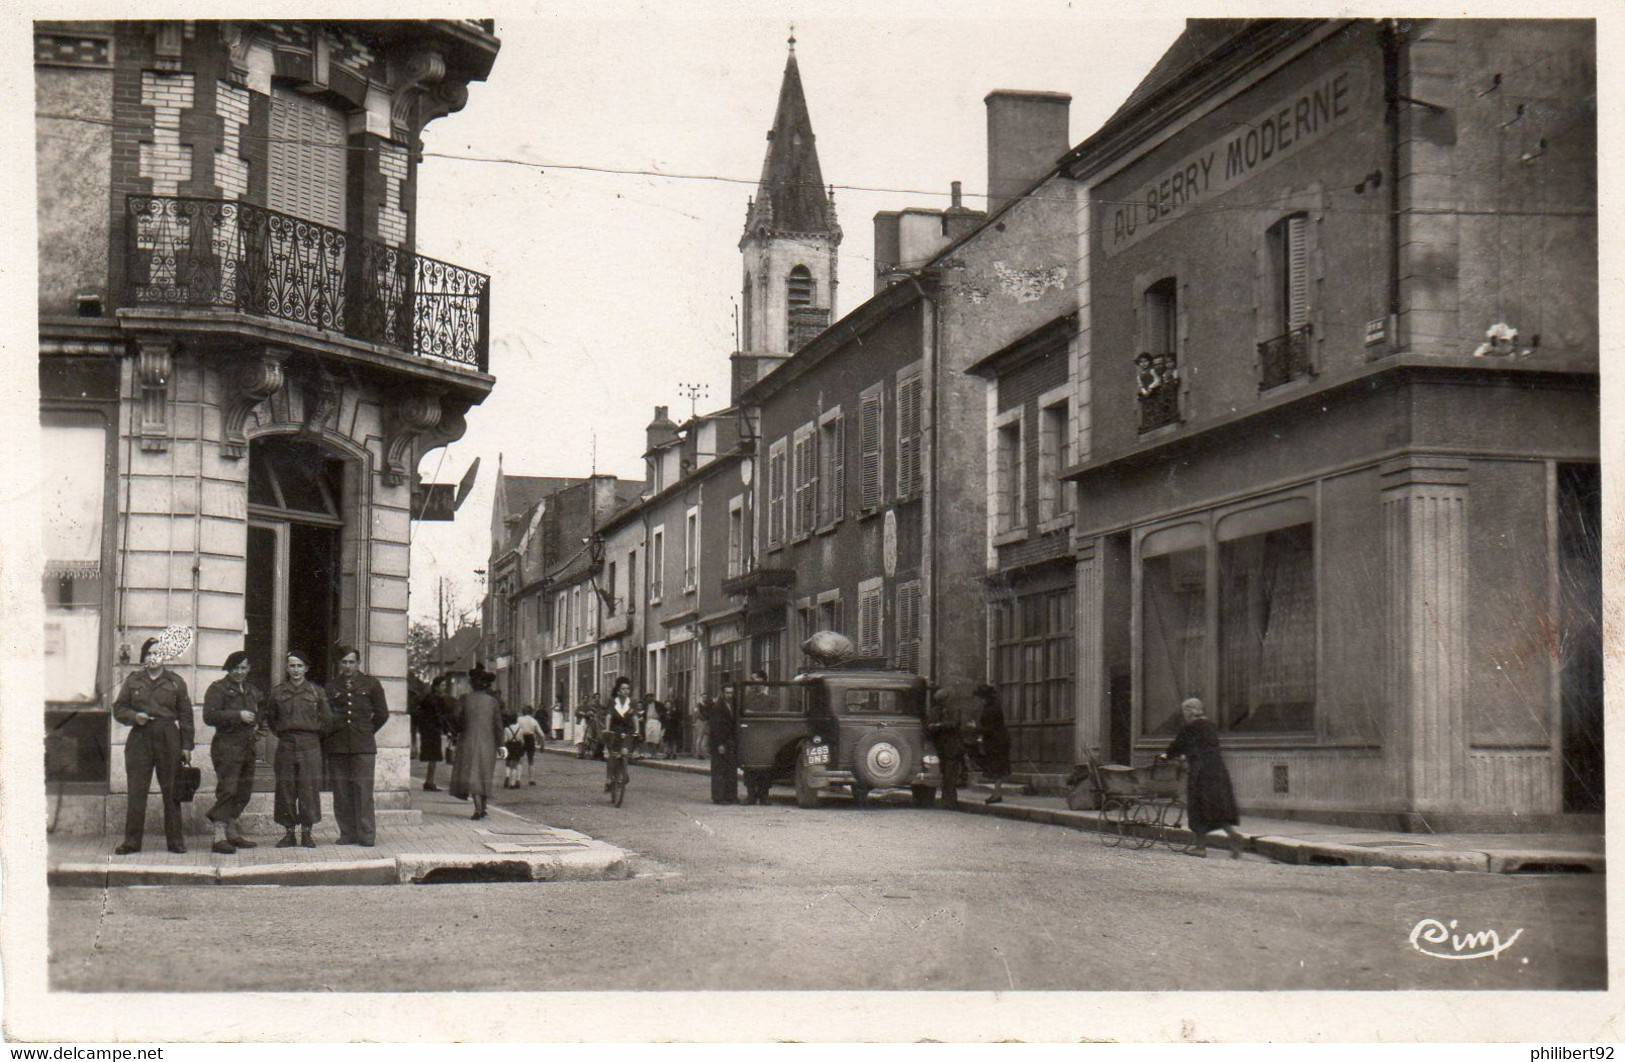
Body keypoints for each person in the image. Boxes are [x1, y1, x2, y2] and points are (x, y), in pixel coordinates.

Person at [111, 637, 195, 854]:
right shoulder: (133, 681)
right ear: (144, 657)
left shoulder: (176, 682)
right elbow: (118, 708)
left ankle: (175, 841)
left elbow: (186, 716)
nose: (153, 657)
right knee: (137, 791)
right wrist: (133, 716)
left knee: (171, 791)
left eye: (158, 653)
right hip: (140, 737)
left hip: (168, 737)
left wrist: (186, 746)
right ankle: (131, 842)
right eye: (149, 653)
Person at [1162, 697, 1244, 859]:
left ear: (1189, 711)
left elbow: (1177, 747)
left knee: (1197, 808)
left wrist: (1167, 755)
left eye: (1184, 710)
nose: (1183, 714)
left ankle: (1200, 848)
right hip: (1217, 771)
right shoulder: (1211, 726)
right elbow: (1204, 747)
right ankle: (1232, 834)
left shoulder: (1190, 728)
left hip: (1200, 773)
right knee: (1215, 808)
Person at [265, 649, 332, 848]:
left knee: (308, 789)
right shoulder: (278, 692)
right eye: (292, 666)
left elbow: (327, 719)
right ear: (287, 668)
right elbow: (271, 719)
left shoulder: (316, 692)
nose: (295, 670)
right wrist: (284, 734)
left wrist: (313, 735)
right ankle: (289, 833)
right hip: (286, 743)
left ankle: (307, 833)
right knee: (286, 789)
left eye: (299, 666)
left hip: (310, 744)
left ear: (306, 669)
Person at [324, 647, 390, 846]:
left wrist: (366, 731)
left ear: (358, 663)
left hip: (363, 746)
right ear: (339, 664)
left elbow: (382, 714)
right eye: (344, 662)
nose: (347, 666)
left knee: (363, 791)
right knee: (342, 792)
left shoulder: (371, 684)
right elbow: (325, 716)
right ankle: (347, 833)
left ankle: (366, 834)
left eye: (351, 662)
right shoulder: (331, 687)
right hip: (338, 745)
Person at [202, 650, 262, 854]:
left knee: (244, 790)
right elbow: (209, 716)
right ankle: (218, 835)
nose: (239, 672)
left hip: (247, 746)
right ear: (229, 668)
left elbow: (261, 713)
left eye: (243, 668)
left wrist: (258, 728)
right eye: (235, 668)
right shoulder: (218, 689)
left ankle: (232, 831)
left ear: (249, 669)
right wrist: (237, 715)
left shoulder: (252, 690)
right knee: (228, 789)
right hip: (226, 746)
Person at [450, 668, 504, 819]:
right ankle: (483, 808)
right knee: (484, 773)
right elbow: (498, 725)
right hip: (489, 743)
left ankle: (478, 809)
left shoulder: (465, 699)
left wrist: (458, 730)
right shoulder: (493, 702)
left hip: (468, 741)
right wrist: (501, 745)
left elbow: (454, 717)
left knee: (472, 774)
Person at [925, 687, 967, 811]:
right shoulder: (941, 711)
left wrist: (937, 726)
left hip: (947, 749)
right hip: (946, 748)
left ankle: (949, 801)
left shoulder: (949, 711)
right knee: (949, 777)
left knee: (949, 776)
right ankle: (949, 802)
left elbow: (953, 724)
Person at [972, 684, 1012, 805]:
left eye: (978, 698)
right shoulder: (992, 707)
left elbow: (989, 728)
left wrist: (976, 728)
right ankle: (997, 793)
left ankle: (997, 794)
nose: (977, 701)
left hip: (997, 742)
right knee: (998, 769)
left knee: (997, 768)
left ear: (983, 698)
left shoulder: (990, 709)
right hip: (997, 741)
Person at [414, 675, 452, 791]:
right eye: (442, 685)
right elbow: (441, 716)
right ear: (436, 687)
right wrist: (448, 730)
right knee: (433, 757)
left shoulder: (427, 698)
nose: (444, 688)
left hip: (427, 730)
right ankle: (429, 781)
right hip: (433, 731)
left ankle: (429, 780)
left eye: (445, 685)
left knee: (432, 757)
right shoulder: (437, 700)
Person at [702, 693, 737, 804]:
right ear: (722, 693)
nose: (730, 695)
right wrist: (720, 744)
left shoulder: (732, 705)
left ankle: (729, 796)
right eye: (727, 693)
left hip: (729, 741)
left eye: (731, 693)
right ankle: (719, 797)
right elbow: (716, 727)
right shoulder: (717, 707)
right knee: (719, 770)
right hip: (720, 741)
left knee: (729, 770)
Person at [603, 678, 638, 790]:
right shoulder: (613, 701)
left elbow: (635, 717)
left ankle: (624, 773)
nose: (626, 690)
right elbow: (608, 715)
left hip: (628, 730)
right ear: (618, 691)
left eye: (627, 688)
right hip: (615, 730)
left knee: (624, 752)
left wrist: (637, 730)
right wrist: (607, 728)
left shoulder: (632, 702)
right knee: (612, 756)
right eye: (623, 688)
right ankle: (609, 779)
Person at [515, 704, 546, 786]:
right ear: (531, 712)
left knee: (519, 759)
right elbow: (542, 735)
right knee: (531, 759)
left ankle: (518, 779)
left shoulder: (519, 719)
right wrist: (542, 745)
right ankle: (531, 779)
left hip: (521, 738)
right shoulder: (533, 721)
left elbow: (515, 729)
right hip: (530, 739)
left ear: (522, 712)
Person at [642, 694, 664, 762]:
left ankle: (655, 753)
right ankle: (650, 753)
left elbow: (663, 711)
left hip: (656, 721)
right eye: (648, 696)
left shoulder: (658, 704)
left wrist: (660, 716)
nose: (649, 698)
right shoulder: (645, 705)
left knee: (656, 738)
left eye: (651, 696)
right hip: (648, 721)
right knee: (649, 737)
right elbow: (643, 713)